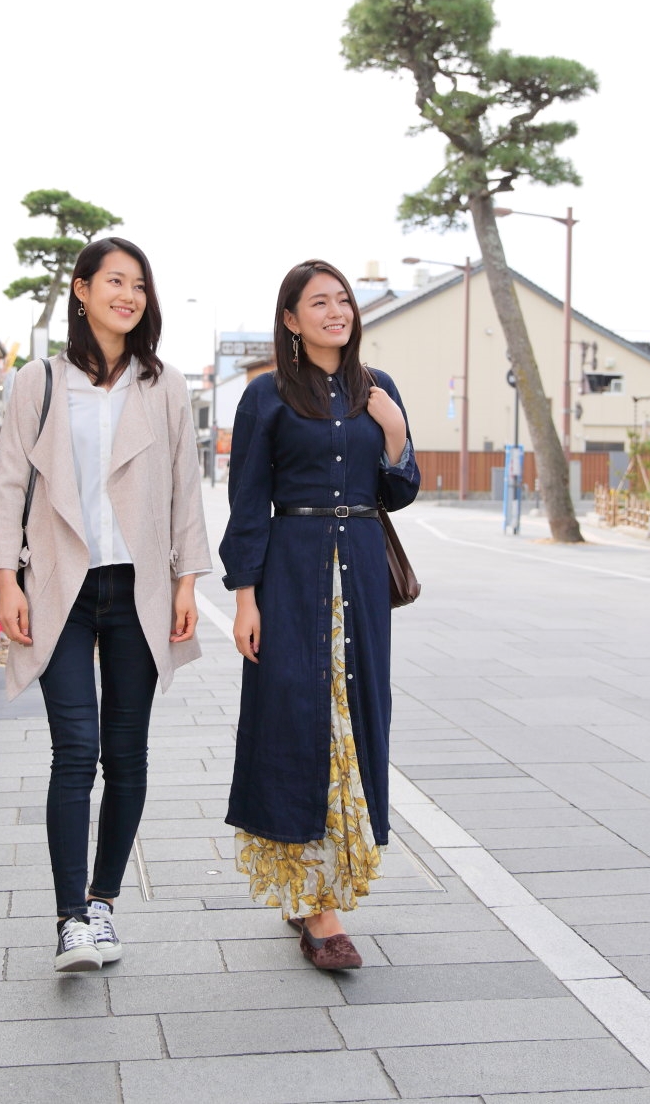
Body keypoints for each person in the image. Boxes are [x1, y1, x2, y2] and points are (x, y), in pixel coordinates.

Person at [0, 237, 211, 974]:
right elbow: (10, 484)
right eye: (115, 281)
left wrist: (186, 582)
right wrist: (7, 580)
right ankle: (69, 920)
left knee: (128, 754)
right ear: (80, 290)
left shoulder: (165, 384)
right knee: (74, 752)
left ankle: (105, 899)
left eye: (139, 284)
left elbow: (184, 487)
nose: (129, 295)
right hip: (60, 585)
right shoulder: (39, 382)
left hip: (138, 586)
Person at [220, 259, 419, 970]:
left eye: (344, 299)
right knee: (295, 720)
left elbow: (402, 489)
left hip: (361, 568)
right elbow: (247, 501)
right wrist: (245, 596)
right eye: (319, 302)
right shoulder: (266, 395)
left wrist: (393, 435)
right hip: (293, 567)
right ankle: (313, 902)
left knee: (355, 716)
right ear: (291, 319)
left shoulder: (380, 390)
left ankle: (322, 891)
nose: (337, 311)